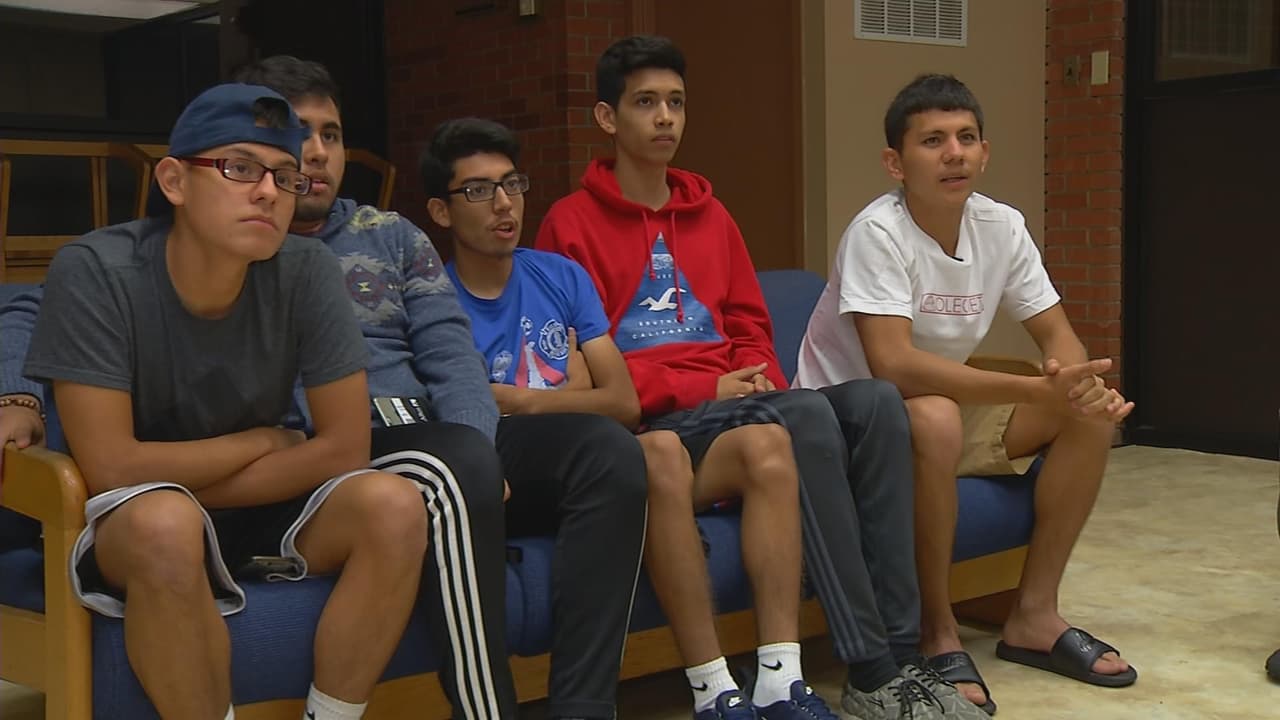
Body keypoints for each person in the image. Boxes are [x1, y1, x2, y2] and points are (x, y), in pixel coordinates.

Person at [1, 57, 518, 720]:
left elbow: (344, 449)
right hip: (133, 516)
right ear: (174, 180)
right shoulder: (99, 268)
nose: (269, 192)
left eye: (284, 175)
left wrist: (205, 478)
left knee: (393, 504)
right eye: (240, 168)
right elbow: (112, 468)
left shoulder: (307, 270)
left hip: (259, 502)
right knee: (166, 521)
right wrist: (262, 442)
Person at [537, 36, 983, 720]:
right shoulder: (568, 225)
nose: (665, 117)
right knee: (803, 416)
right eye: (646, 103)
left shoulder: (712, 215)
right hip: (653, 423)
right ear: (607, 117)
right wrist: (706, 390)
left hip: (734, 406)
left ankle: (901, 650)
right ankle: (870, 669)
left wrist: (761, 381)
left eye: (676, 102)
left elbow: (749, 323)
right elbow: (577, 369)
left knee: (875, 401)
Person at [793, 73, 1138, 713]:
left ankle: (1033, 614)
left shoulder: (1000, 225)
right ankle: (937, 630)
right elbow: (894, 366)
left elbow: (1056, 335)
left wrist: (1082, 388)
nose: (954, 153)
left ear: (984, 152)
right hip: (848, 425)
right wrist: (1032, 387)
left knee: (1084, 418)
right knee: (936, 417)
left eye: (966, 138)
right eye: (933, 141)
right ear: (895, 163)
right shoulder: (877, 232)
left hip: (936, 407)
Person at [421, 116, 649, 720]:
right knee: (595, 444)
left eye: (512, 184)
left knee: (619, 453)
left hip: (558, 460)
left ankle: (583, 707)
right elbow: (457, 415)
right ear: (441, 212)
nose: (503, 204)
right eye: (478, 190)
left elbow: (623, 402)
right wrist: (573, 389)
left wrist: (519, 400)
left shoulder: (560, 275)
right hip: (483, 472)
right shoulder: (433, 300)